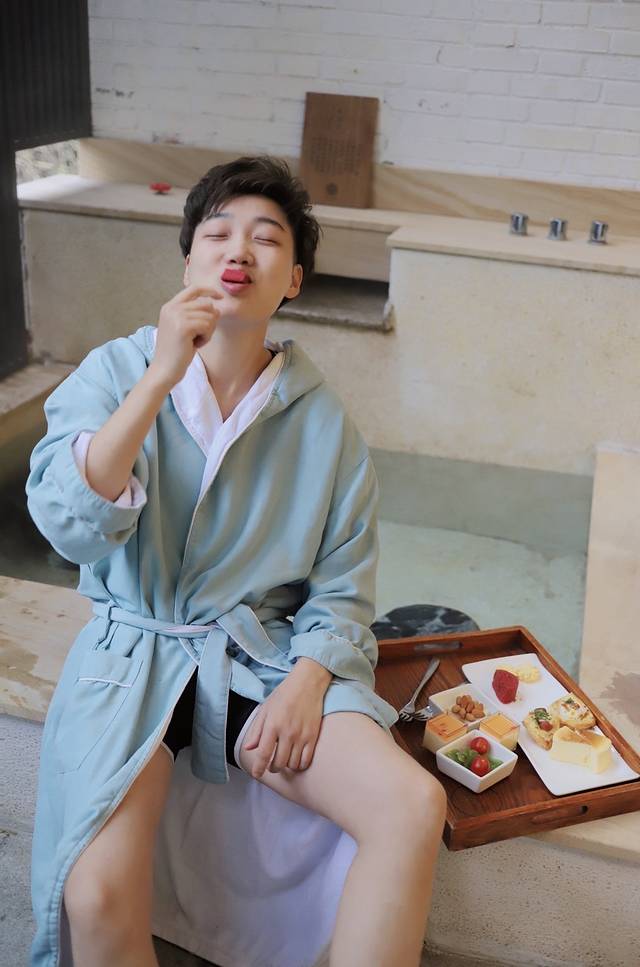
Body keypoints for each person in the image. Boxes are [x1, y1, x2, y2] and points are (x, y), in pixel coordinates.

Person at [26, 155, 447, 967]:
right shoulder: (116, 372)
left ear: (293, 280)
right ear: (189, 260)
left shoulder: (325, 424)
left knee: (410, 803)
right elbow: (69, 526)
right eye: (218, 232)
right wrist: (159, 378)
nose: (239, 250)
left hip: (260, 660)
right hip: (134, 658)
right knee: (95, 895)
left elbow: (343, 584)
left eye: (267, 238)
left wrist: (310, 678)